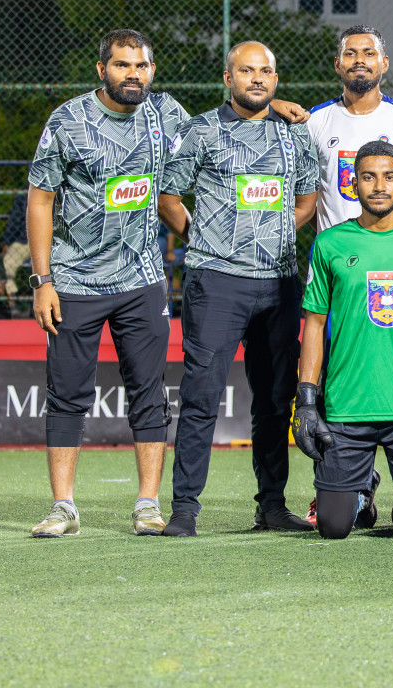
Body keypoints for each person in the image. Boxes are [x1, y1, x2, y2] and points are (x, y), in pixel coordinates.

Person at [26, 29, 193, 538]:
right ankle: (63, 508)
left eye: (140, 66)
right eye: (121, 65)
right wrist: (42, 280)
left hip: (142, 281)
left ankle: (147, 505)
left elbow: (225, 128)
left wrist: (280, 109)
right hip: (73, 282)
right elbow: (40, 200)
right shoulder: (68, 120)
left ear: (152, 70)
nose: (132, 74)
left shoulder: (166, 114)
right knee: (67, 395)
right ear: (102, 70)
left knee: (149, 394)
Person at [157, 42, 321, 536]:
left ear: (275, 79)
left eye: (266, 71)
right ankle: (185, 509)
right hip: (215, 283)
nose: (257, 78)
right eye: (246, 70)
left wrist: (269, 238)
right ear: (227, 78)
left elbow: (308, 200)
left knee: (275, 399)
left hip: (277, 283)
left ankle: (271, 506)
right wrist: (205, 238)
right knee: (202, 394)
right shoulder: (201, 130)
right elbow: (167, 196)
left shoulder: (295, 134)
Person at [292, 142, 393, 539]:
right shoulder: (330, 243)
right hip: (346, 408)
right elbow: (313, 324)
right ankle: (362, 493)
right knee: (333, 527)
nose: (379, 185)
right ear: (353, 182)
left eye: (389, 176)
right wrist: (307, 398)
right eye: (368, 176)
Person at [305, 25, 393, 232]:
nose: (359, 60)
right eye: (350, 53)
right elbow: (298, 190)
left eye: (369, 53)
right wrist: (326, 234)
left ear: (384, 63)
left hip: (390, 249)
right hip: (338, 251)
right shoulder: (315, 120)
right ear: (337, 64)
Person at [2, 193, 31, 282]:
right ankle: (11, 295)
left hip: (49, 243)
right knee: (7, 263)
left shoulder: (60, 191)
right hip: (25, 241)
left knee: (41, 267)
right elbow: (14, 221)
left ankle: (44, 295)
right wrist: (7, 242)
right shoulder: (23, 195)